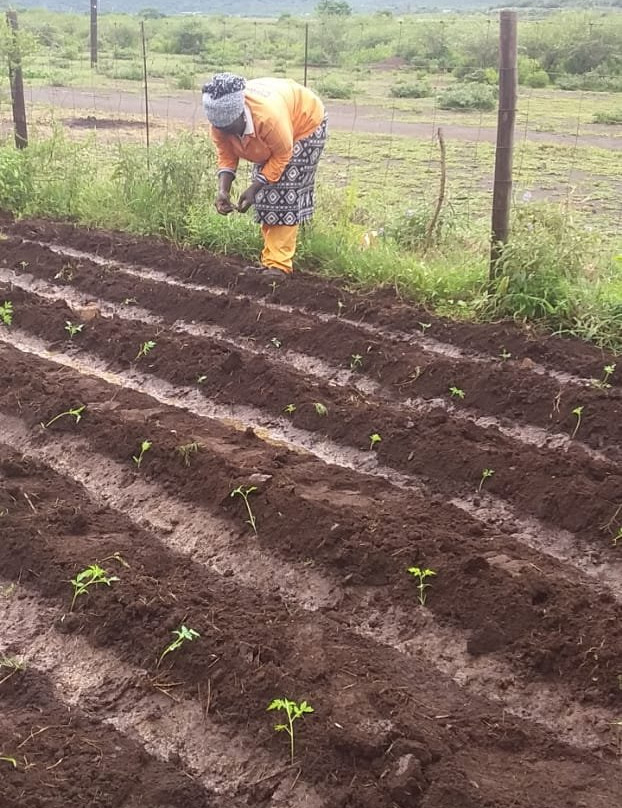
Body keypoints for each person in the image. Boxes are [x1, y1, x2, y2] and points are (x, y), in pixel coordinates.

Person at [202, 73, 327, 277]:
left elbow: (283, 153)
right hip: (278, 126)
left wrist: (254, 187)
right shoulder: (220, 126)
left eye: (229, 128)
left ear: (241, 114)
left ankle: (279, 264)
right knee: (266, 195)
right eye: (221, 129)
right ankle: (269, 261)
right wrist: (223, 191)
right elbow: (226, 155)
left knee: (283, 192)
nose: (226, 133)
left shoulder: (268, 118)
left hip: (305, 123)